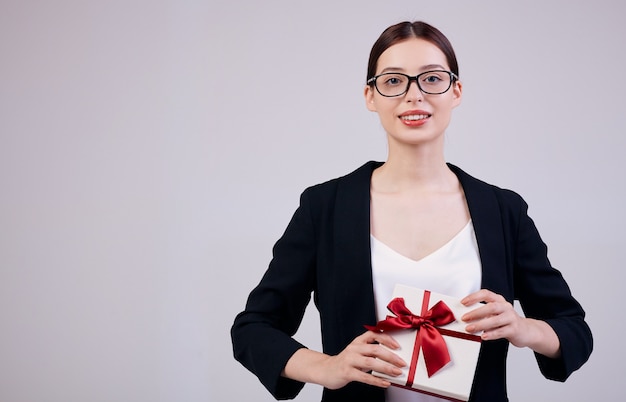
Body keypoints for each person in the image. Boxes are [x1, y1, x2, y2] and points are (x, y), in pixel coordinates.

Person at [230, 21, 593, 402]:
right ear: (370, 96)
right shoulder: (325, 207)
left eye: (431, 79)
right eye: (393, 81)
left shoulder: (503, 211)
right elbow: (253, 329)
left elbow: (574, 332)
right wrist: (327, 366)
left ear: (456, 91)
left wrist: (521, 328)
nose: (413, 96)